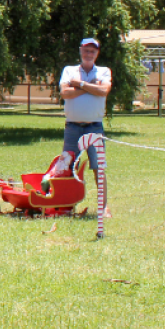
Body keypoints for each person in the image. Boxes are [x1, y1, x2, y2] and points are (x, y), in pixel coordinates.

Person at [55, 36, 112, 209]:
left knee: (98, 168)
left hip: (94, 127)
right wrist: (89, 86)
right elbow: (65, 93)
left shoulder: (103, 71)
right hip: (73, 127)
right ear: (80, 51)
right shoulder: (68, 70)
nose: (89, 54)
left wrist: (79, 84)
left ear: (97, 53)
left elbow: (103, 91)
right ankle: (66, 205)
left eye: (92, 51)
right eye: (86, 50)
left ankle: (103, 208)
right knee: (68, 167)